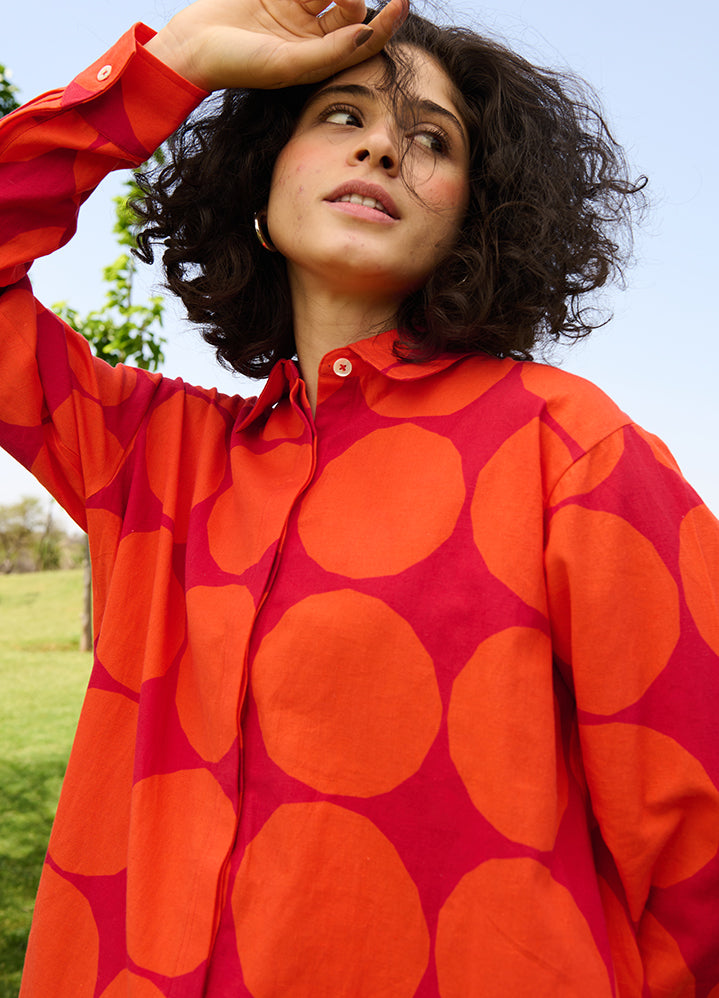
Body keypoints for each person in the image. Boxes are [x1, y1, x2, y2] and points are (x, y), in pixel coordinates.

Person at [1, 0, 718, 994]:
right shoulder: (150, 452)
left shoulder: (574, 451)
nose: (382, 146)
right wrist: (176, 63)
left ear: (476, 213)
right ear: (262, 178)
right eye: (340, 115)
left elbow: (698, 852)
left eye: (429, 138)